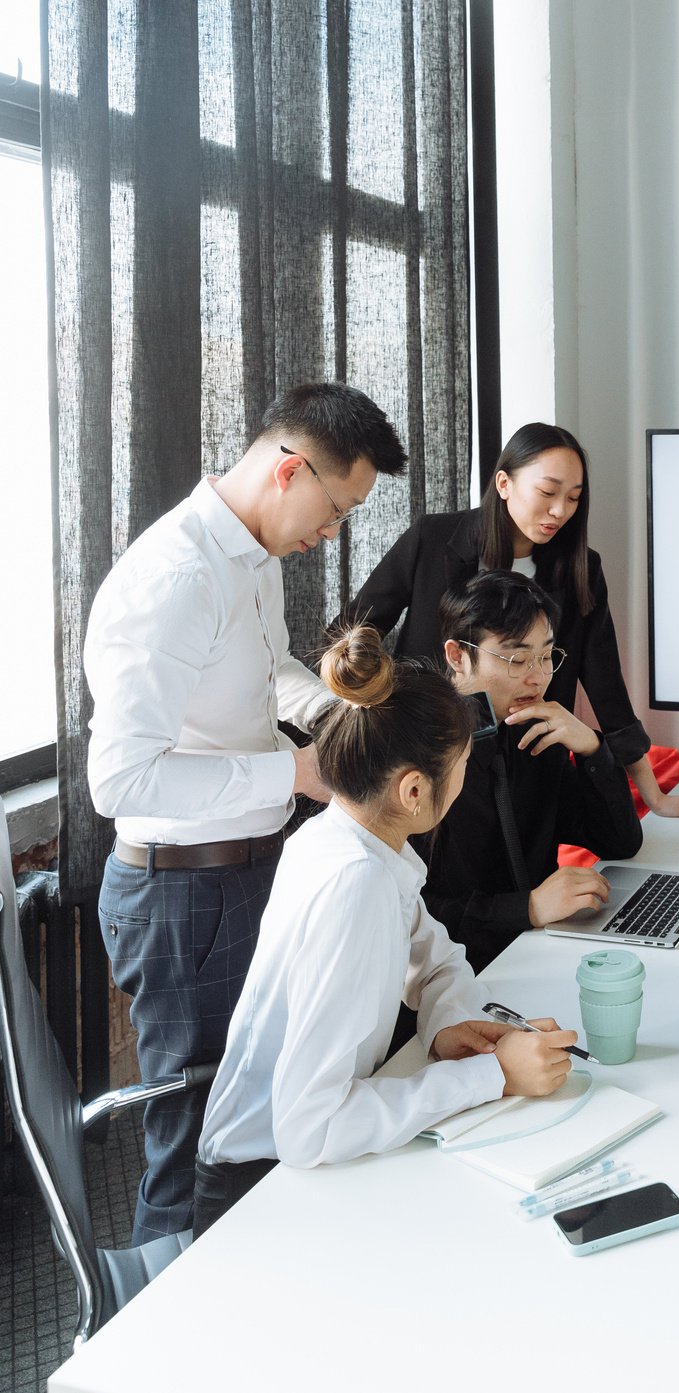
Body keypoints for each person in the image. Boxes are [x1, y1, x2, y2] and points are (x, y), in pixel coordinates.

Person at [85, 382, 406, 1242]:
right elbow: (120, 780)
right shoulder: (176, 577)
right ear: (289, 469)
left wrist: (340, 715)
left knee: (255, 1110)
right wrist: (292, 773)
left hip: (243, 870)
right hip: (181, 896)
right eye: (335, 510)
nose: (331, 534)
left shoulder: (252, 556)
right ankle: (143, 1352)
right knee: (194, 1134)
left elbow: (269, 677)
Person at [193, 625, 574, 1236]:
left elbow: (436, 958)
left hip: (299, 1166)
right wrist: (492, 1076)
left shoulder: (354, 840)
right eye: (463, 769)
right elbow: (308, 1129)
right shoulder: (355, 883)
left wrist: (452, 1024)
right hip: (257, 1192)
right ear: (416, 790)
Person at [347, 420, 679, 820]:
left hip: (528, 766)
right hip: (428, 761)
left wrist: (655, 796)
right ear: (504, 484)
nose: (559, 511)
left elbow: (606, 684)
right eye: (547, 492)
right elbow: (356, 631)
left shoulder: (579, 569)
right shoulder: (433, 538)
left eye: (573, 498)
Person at [416, 570, 644, 972]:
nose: (537, 678)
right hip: (457, 976)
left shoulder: (537, 731)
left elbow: (620, 842)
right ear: (457, 656)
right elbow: (415, 916)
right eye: (517, 659)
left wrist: (593, 748)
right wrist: (529, 907)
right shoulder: (419, 753)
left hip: (545, 952)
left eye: (546, 656)